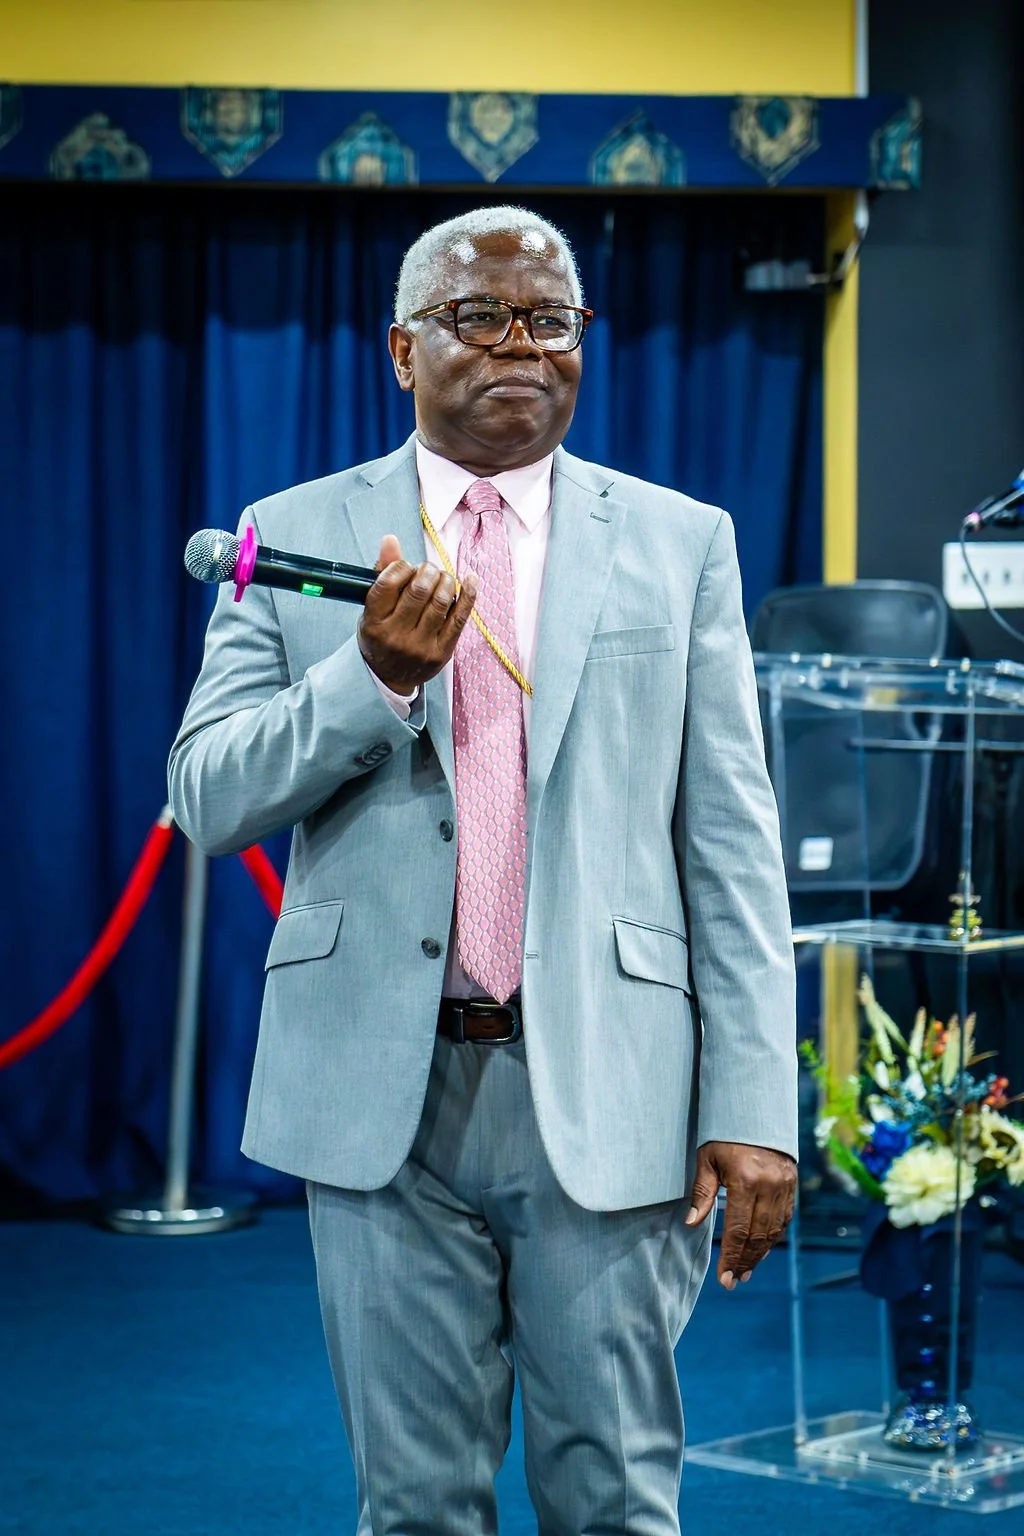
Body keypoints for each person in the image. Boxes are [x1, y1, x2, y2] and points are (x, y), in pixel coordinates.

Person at [168, 204, 798, 1535]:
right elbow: (209, 797)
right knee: (415, 1512)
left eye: (551, 319)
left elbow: (732, 843)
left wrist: (754, 1100)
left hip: (613, 1090)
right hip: (379, 1100)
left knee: (614, 1501)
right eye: (478, 317)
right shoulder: (290, 531)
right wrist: (371, 679)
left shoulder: (682, 540)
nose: (521, 344)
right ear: (403, 350)